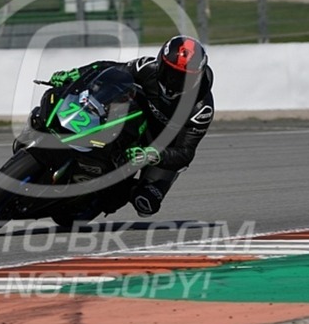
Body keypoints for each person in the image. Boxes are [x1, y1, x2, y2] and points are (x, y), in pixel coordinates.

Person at [46, 35, 214, 218]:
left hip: (163, 146)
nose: (174, 81)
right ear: (160, 63)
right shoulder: (147, 68)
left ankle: (118, 190)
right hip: (136, 120)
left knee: (146, 203)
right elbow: (109, 69)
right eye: (170, 73)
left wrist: (152, 155)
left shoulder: (201, 108)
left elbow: (185, 152)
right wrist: (76, 74)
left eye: (184, 78)